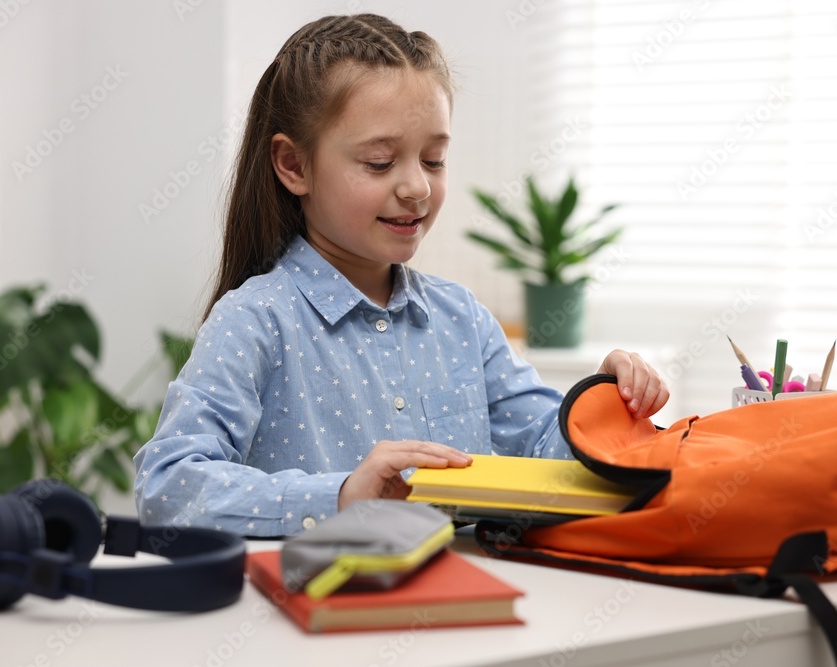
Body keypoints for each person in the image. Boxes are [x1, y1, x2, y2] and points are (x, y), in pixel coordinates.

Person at [133, 13, 669, 537]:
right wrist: (339, 496)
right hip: (319, 595)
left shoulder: (461, 318)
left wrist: (605, 399)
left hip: (466, 592)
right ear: (294, 166)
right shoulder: (254, 321)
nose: (417, 187)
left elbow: (543, 446)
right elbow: (167, 486)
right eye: (380, 162)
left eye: (433, 159)